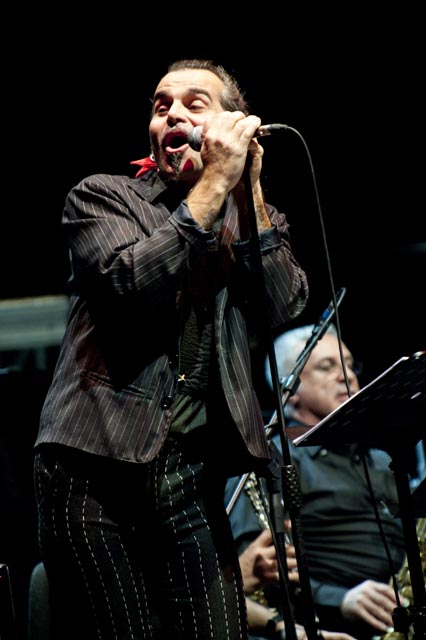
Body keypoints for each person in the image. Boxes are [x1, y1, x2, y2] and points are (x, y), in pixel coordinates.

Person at [32, 59, 309, 639]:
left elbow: (283, 306)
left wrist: (248, 187)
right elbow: (132, 282)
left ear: (235, 125)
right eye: (162, 106)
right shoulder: (104, 196)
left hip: (190, 477)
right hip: (94, 468)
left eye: (194, 104)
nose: (172, 115)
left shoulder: (251, 218)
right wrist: (214, 184)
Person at [229, 323, 407, 640]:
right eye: (327, 366)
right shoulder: (270, 460)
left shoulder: (382, 459)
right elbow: (258, 576)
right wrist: (340, 600)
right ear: (289, 389)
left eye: (350, 365)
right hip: (328, 628)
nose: (346, 376)